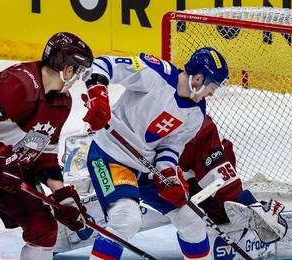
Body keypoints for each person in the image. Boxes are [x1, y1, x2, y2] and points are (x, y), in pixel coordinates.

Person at [0, 32, 93, 260]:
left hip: (10, 171)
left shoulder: (62, 102)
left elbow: (45, 150)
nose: (77, 79)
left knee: (44, 230)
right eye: (78, 72)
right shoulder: (18, 84)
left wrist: (62, 195)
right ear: (68, 70)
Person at [81, 47, 229, 259]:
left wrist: (168, 173)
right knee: (126, 219)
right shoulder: (154, 73)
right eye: (212, 86)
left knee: (192, 221)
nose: (212, 93)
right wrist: (98, 97)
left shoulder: (196, 113)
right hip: (111, 156)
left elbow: (171, 146)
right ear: (198, 78)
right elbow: (103, 64)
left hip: (147, 169)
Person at [180, 115, 288, 243]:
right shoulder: (194, 118)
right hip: (185, 161)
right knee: (205, 131)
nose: (210, 93)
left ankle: (220, 210)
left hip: (174, 176)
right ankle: (245, 205)